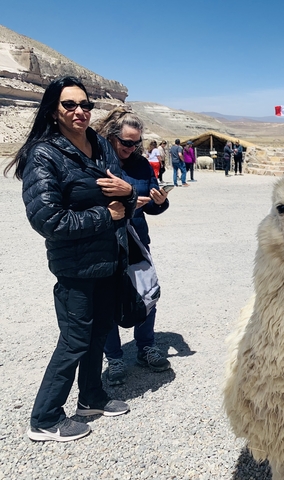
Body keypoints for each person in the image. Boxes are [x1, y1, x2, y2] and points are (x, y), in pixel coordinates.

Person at [3, 76, 136, 442]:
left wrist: (126, 192)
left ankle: (92, 396)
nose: (80, 112)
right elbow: (47, 219)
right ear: (53, 110)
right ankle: (44, 418)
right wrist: (104, 216)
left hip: (110, 258)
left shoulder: (100, 145)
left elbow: (122, 192)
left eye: (86, 105)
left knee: (99, 332)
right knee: (74, 339)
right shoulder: (44, 154)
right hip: (75, 264)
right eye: (69, 105)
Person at [93, 107, 172, 385]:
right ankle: (114, 358)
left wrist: (159, 202)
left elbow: (152, 204)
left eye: (136, 143)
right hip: (105, 242)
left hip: (137, 241)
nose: (131, 147)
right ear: (112, 137)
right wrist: (125, 203)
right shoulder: (96, 160)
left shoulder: (140, 164)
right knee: (108, 301)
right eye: (127, 142)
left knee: (147, 294)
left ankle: (146, 347)